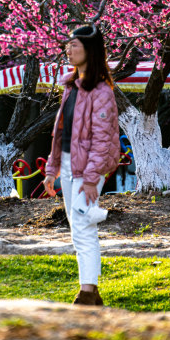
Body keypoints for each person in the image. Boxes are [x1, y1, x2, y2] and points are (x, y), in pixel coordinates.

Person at [43, 24, 120, 306]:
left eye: (74, 45)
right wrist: (52, 170)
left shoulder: (102, 92)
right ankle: (90, 291)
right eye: (69, 44)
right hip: (68, 163)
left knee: (83, 227)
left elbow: (102, 141)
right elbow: (60, 132)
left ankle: (87, 292)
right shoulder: (70, 86)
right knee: (78, 229)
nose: (68, 49)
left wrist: (90, 179)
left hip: (88, 168)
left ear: (90, 50)